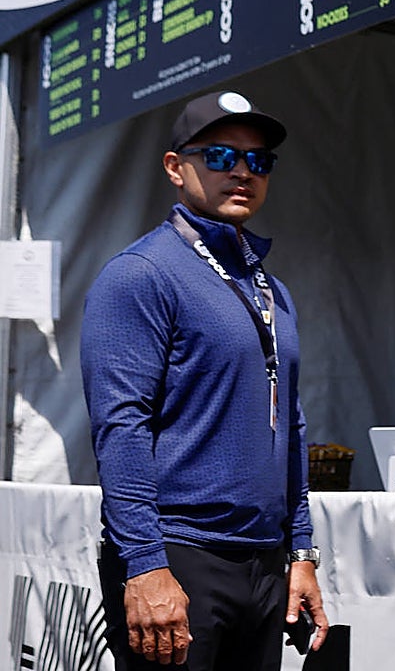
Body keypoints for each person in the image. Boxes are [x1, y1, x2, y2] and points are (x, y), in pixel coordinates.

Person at [81, 90, 329, 669]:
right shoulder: (140, 276)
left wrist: (300, 550)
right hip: (178, 557)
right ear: (176, 167)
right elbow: (121, 429)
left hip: (265, 564)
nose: (243, 171)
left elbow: (289, 424)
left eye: (259, 160)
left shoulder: (271, 288)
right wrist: (144, 562)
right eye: (220, 156)